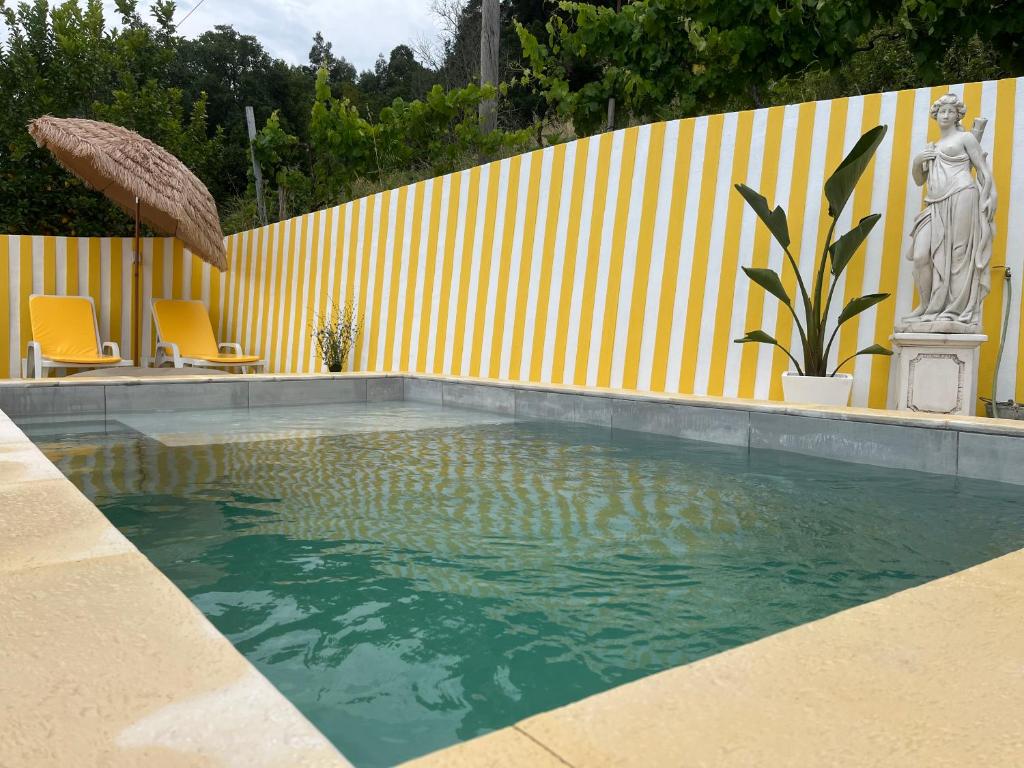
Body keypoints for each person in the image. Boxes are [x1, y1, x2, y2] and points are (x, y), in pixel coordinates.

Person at [901, 93, 997, 331]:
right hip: (934, 203)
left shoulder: (965, 138)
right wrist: (917, 161)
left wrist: (991, 195)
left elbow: (982, 170)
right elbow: (918, 180)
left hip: (962, 194)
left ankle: (951, 310)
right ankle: (926, 306)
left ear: (957, 116)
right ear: (936, 115)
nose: (945, 115)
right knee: (921, 255)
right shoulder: (931, 147)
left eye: (950, 111)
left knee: (958, 253)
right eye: (941, 111)